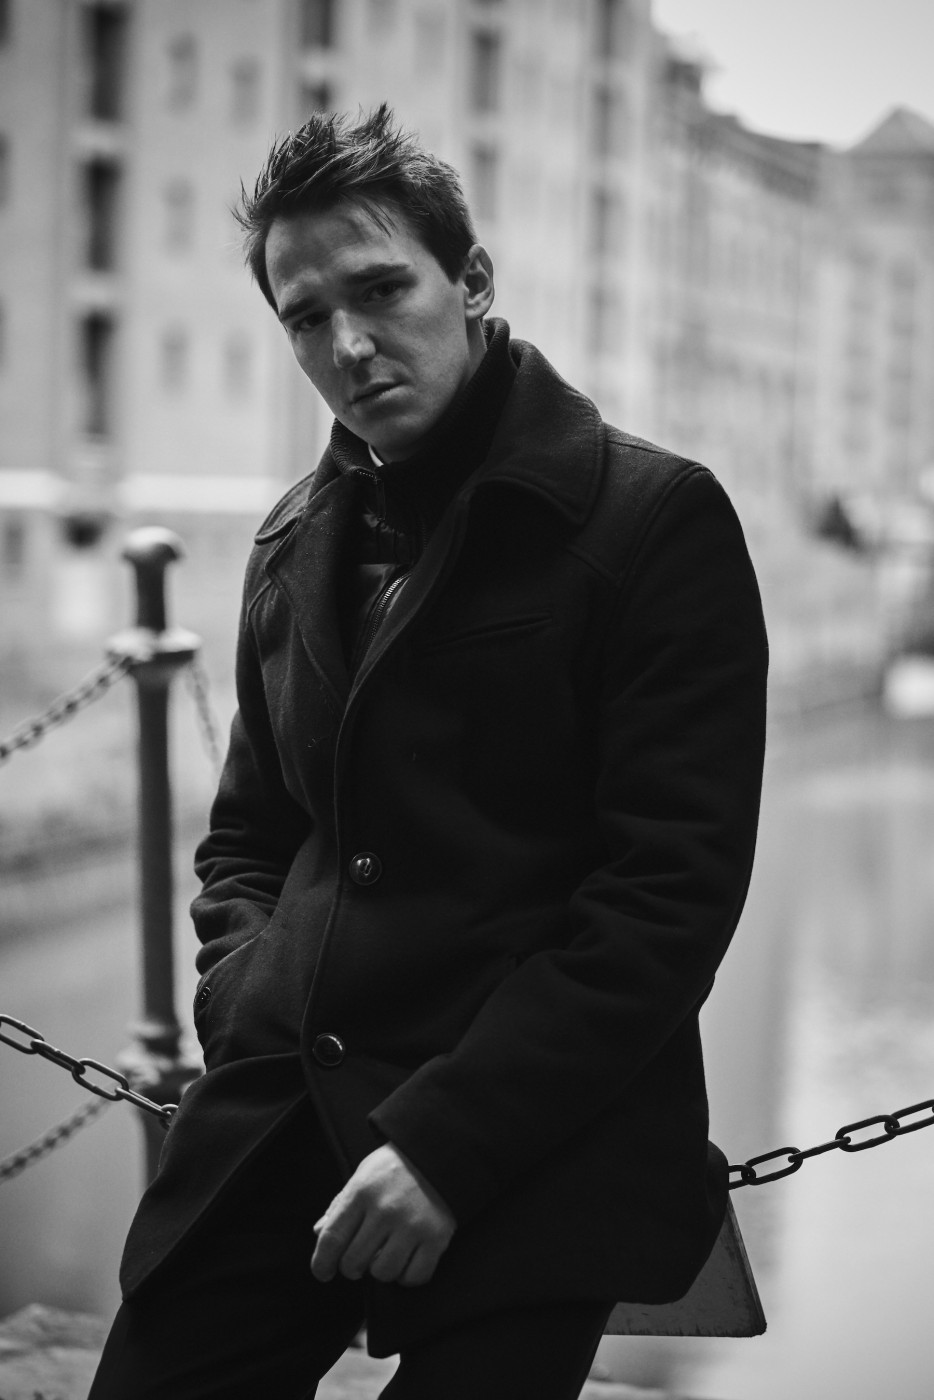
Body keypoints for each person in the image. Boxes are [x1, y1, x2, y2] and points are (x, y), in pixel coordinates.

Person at [89, 104, 768, 1400]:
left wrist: (448, 1148)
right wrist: (244, 1003)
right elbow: (248, 839)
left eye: (381, 289)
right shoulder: (290, 541)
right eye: (304, 316)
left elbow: (665, 895)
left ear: (472, 282)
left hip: (531, 1135)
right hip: (284, 1105)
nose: (346, 344)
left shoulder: (652, 521)